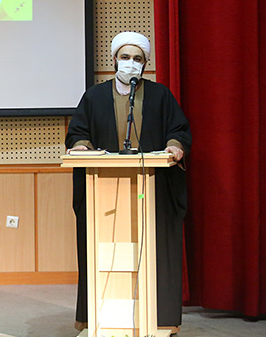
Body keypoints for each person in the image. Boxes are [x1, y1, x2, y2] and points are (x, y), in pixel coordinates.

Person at [66, 31, 191, 334]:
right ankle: (97, 318)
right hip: (103, 189)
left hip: (152, 187)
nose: (130, 63)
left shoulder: (160, 95)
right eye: (125, 57)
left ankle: (160, 320)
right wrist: (81, 146)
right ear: (114, 60)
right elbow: (78, 132)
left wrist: (174, 145)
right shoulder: (94, 96)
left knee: (156, 251)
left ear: (145, 64)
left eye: (137, 59)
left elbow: (178, 130)